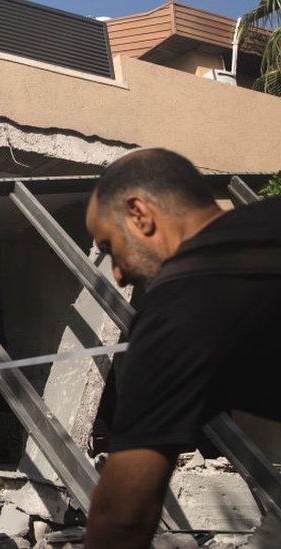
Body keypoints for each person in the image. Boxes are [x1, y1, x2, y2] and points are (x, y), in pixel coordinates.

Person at [83, 149, 281, 547]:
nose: (118, 276)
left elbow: (122, 518)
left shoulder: (177, 309)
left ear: (139, 214)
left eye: (110, 247)